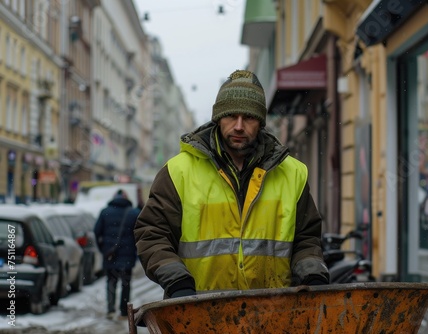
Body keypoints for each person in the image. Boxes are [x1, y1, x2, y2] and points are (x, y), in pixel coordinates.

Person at [134, 70, 329, 299]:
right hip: (197, 313)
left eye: (248, 117)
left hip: (273, 313)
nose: (238, 126)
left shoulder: (292, 173)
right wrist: (177, 280)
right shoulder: (179, 172)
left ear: (261, 122)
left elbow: (306, 238)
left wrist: (312, 272)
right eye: (231, 116)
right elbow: (153, 233)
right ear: (218, 118)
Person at [94, 189, 139, 319]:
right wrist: (135, 251)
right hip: (128, 254)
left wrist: (103, 249)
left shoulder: (105, 212)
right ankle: (124, 310)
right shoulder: (133, 213)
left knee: (111, 281)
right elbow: (140, 234)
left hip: (110, 255)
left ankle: (110, 309)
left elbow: (97, 232)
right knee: (126, 283)